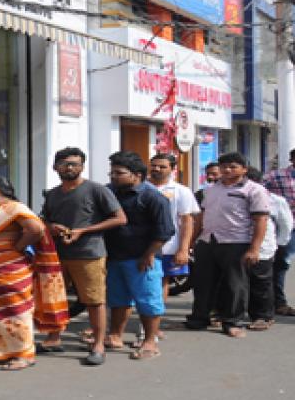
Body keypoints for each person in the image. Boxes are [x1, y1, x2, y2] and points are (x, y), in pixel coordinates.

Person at [40, 147, 126, 366]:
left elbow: (119, 219)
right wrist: (52, 227)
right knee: (54, 298)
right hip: (58, 254)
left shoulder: (96, 190)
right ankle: (53, 337)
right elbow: (43, 221)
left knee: (94, 300)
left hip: (89, 253)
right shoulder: (52, 193)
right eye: (65, 164)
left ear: (82, 166)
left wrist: (83, 231)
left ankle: (98, 344)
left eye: (75, 164)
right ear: (55, 167)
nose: (70, 168)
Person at [0, 176, 69, 370]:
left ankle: (24, 354)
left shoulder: (15, 208)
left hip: (11, 270)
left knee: (17, 311)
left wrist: (17, 247)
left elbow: (36, 229)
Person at [186, 153, 269, 338]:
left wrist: (254, 248)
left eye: (232, 166)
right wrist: (192, 241)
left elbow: (261, 219)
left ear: (244, 169)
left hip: (236, 242)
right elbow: (201, 217)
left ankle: (233, 322)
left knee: (235, 285)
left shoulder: (254, 190)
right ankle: (199, 318)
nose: (227, 170)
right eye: (224, 166)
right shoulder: (211, 189)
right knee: (203, 282)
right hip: (208, 241)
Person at [103, 151, 174, 361]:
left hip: (143, 258)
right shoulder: (108, 193)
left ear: (136, 175)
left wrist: (149, 254)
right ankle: (115, 335)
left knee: (148, 300)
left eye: (119, 173)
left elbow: (165, 230)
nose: (113, 176)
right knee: (118, 299)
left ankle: (150, 342)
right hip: (114, 256)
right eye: (112, 172)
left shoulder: (153, 198)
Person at [148, 154, 199, 309]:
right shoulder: (141, 187)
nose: (157, 169)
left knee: (160, 281)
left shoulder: (181, 191)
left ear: (172, 169)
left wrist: (183, 249)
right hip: (139, 245)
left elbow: (187, 221)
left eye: (162, 166)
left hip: (168, 247)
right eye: (154, 165)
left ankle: (154, 321)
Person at [246, 167, 291, 331]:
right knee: (237, 281)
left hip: (264, 247)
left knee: (261, 281)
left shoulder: (275, 200)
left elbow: (285, 224)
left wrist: (278, 244)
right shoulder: (234, 197)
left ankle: (263, 316)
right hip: (236, 245)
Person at [262, 151, 295, 316]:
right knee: (281, 263)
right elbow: (259, 191)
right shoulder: (276, 176)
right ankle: (278, 302)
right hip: (285, 227)